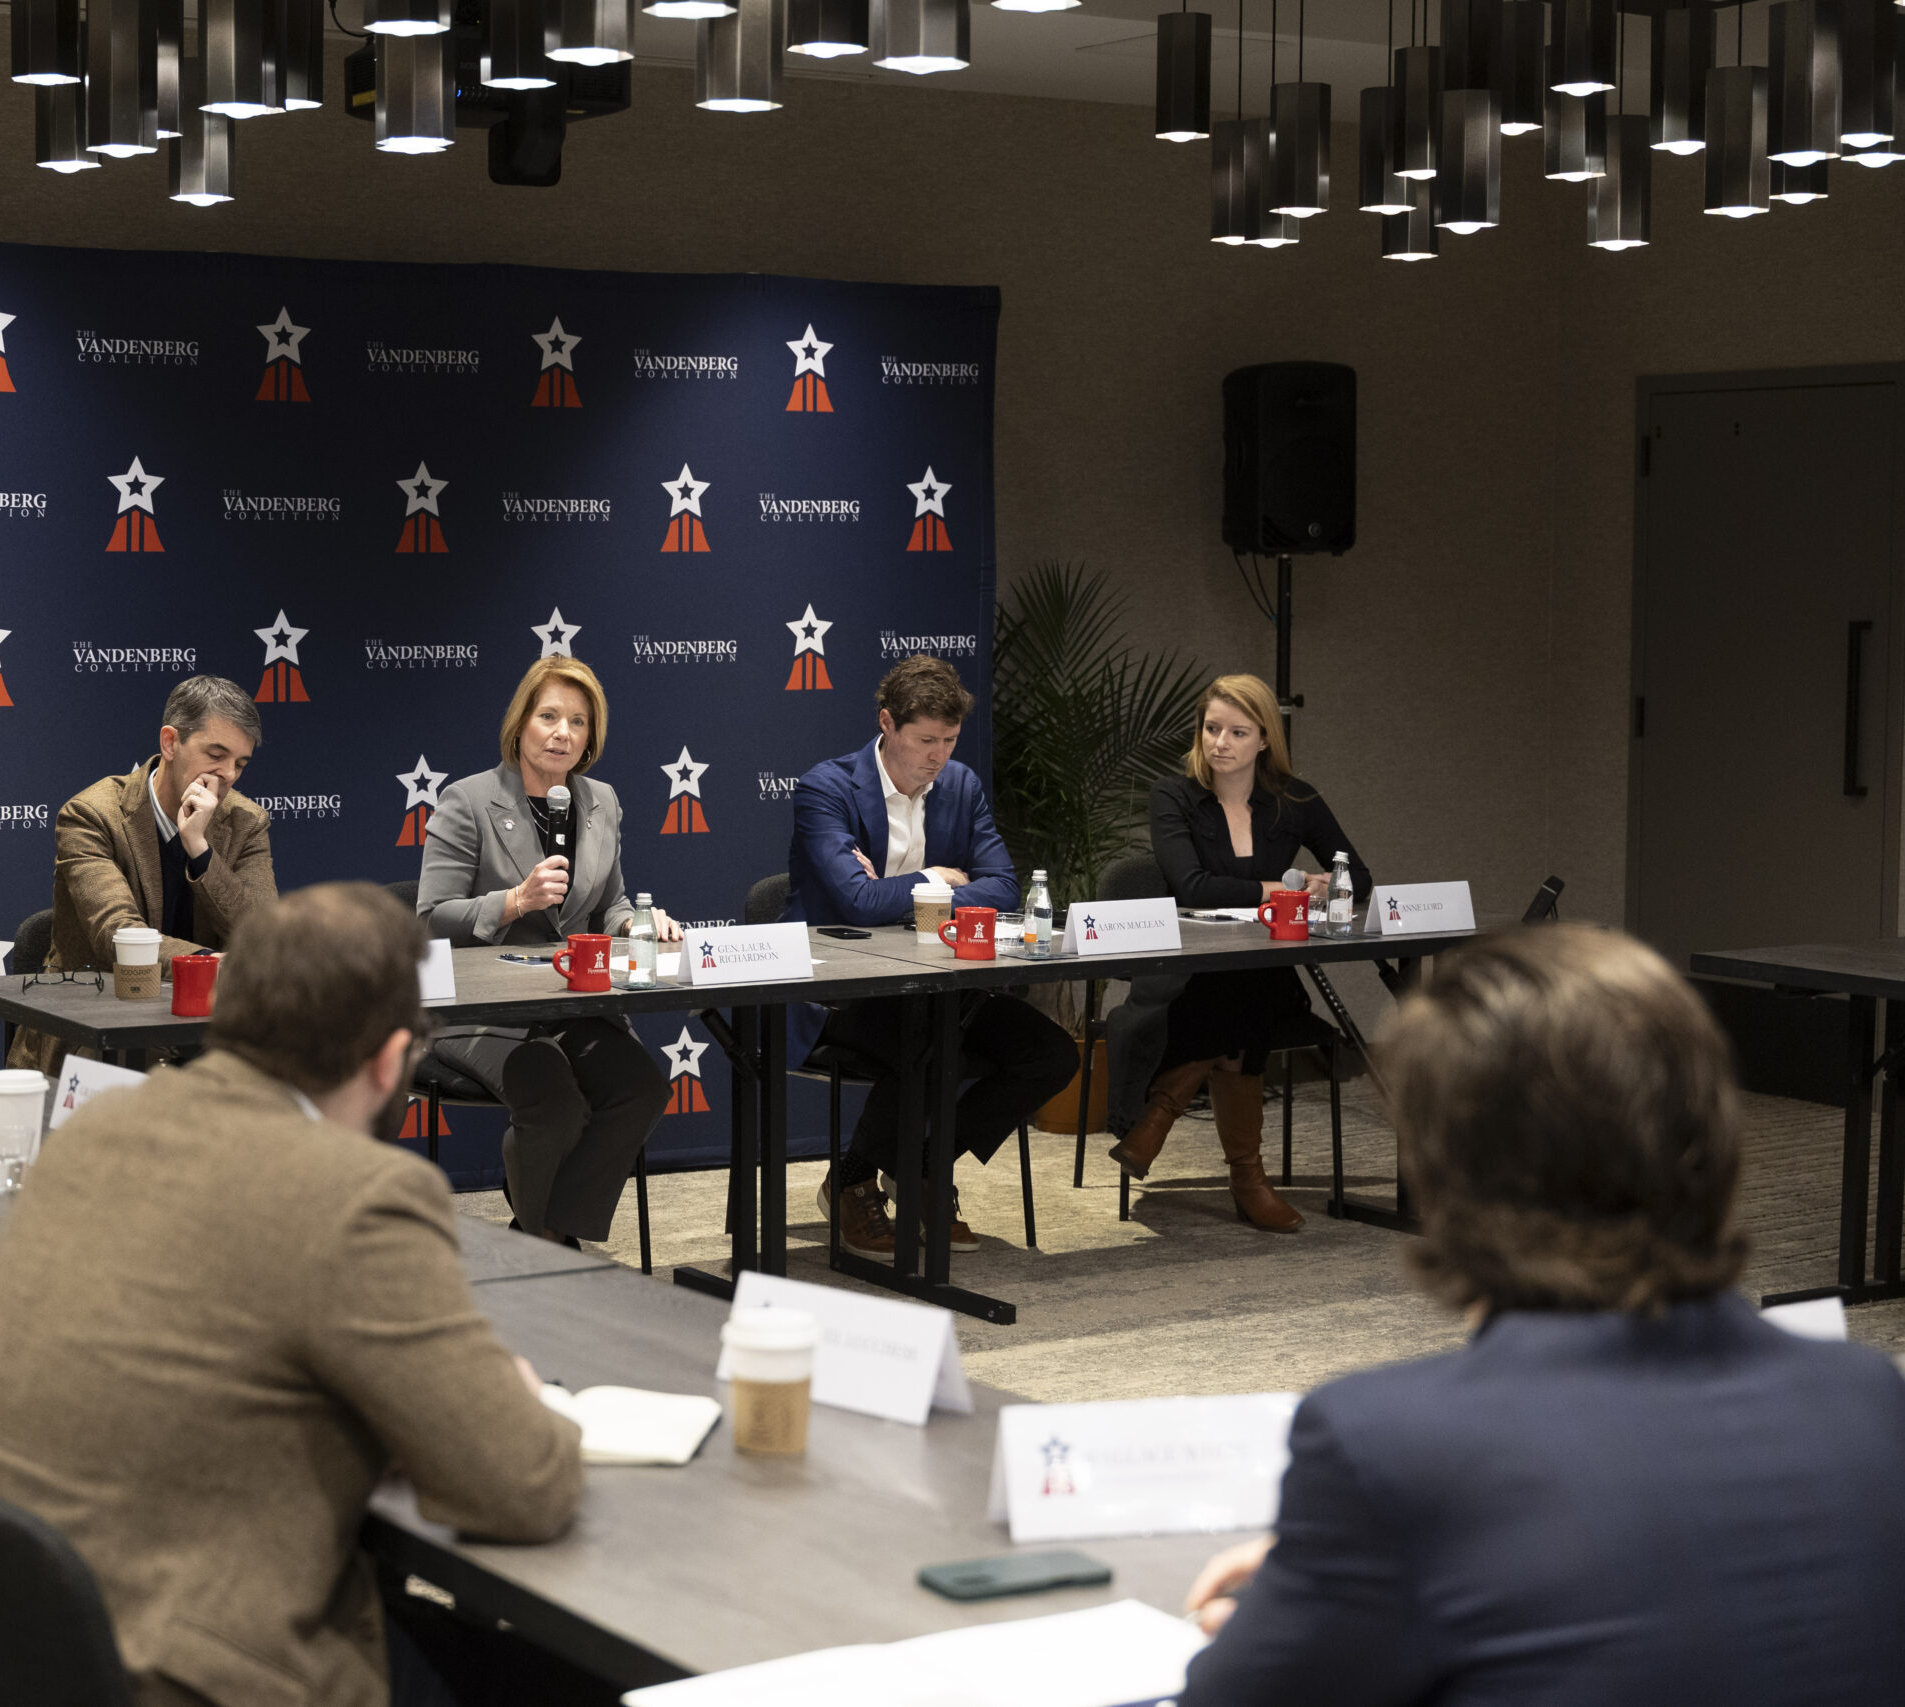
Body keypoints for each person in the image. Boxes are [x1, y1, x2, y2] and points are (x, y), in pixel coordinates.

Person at [1178, 925, 1905, 1706]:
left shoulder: (1388, 1446)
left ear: (1446, 1168)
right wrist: (1357, 1565)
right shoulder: (1869, 1396)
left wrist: (1348, 1570)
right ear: (1717, 1133)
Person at [0, 883, 582, 1707]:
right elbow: (521, 1484)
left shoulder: (93, 1127)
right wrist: (520, 1401)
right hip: (177, 1671)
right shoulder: (357, 1190)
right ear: (391, 1059)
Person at [784, 654, 1077, 1260]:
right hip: (839, 989)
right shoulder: (827, 788)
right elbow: (856, 904)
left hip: (939, 983)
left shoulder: (961, 786)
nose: (938, 756)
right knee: (929, 1041)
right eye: (925, 741)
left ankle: (914, 1166)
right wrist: (938, 877)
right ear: (887, 724)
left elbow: (1003, 888)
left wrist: (904, 892)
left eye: (949, 740)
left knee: (1049, 1054)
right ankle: (857, 1184)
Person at [417, 657, 674, 1246]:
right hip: (479, 1009)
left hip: (570, 1001)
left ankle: (545, 1232)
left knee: (641, 1089)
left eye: (578, 722)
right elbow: (429, 920)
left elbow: (610, 904)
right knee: (555, 1107)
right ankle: (547, 1246)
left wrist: (640, 922)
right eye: (549, 716)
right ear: (521, 723)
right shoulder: (468, 800)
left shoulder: (601, 800)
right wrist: (514, 901)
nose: (563, 733)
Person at [1106, 673, 1368, 1233]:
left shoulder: (1295, 800)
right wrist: (1280, 889)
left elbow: (1359, 876)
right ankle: (1248, 1180)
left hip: (1256, 969)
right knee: (1244, 997)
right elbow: (1193, 887)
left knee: (1247, 986)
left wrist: (1328, 883)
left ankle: (1159, 1115)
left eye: (1237, 732)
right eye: (1211, 729)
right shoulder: (1174, 796)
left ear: (1265, 739)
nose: (1219, 743)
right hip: (1187, 971)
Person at [10, 674, 277, 1071]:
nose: (229, 775)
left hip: (205, 1037)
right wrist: (208, 966)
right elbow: (118, 934)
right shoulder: (91, 815)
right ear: (170, 742)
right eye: (215, 755)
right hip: (98, 1030)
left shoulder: (246, 821)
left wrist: (199, 850)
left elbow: (263, 934)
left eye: (240, 763)